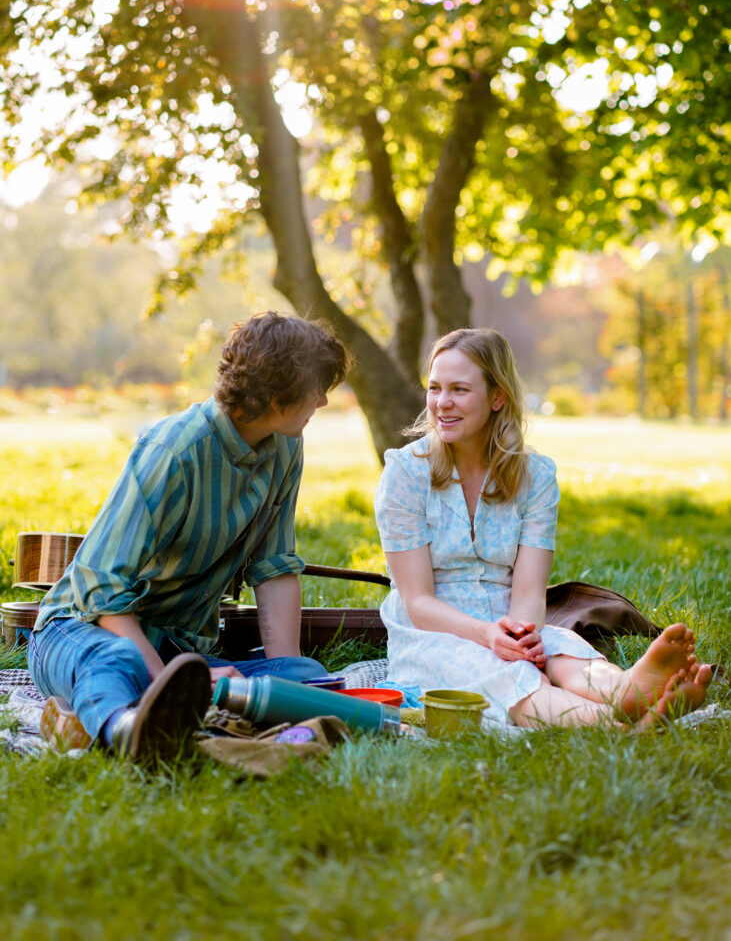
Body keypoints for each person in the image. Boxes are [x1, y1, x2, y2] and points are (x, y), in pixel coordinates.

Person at [28, 312, 352, 760]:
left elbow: (273, 567)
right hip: (80, 631)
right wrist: (165, 682)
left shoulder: (286, 447)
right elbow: (102, 592)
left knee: (304, 674)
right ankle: (126, 730)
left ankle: (99, 716)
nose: (324, 401)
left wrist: (279, 688)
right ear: (279, 397)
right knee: (117, 664)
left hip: (177, 649)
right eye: (318, 388)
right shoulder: (174, 451)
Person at [374, 327, 712, 730]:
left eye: (459, 390)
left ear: (498, 397)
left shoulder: (535, 476)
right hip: (432, 632)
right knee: (506, 675)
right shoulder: (405, 473)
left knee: (562, 650)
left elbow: (530, 590)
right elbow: (418, 603)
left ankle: (626, 691)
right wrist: (488, 635)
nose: (442, 403)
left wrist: (525, 633)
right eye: (434, 388)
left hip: (511, 619)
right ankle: (618, 723)